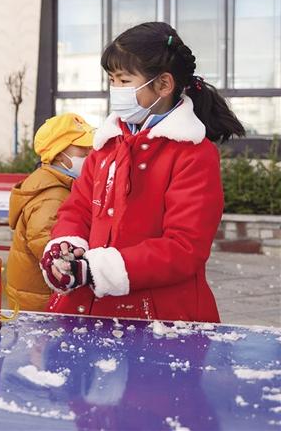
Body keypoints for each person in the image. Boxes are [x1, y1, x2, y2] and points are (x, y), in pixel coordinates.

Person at [39, 22, 245, 323]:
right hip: (86, 309)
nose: (115, 89)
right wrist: (65, 248)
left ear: (164, 85)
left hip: (159, 319)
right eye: (111, 80)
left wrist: (97, 270)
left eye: (124, 80)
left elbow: (184, 247)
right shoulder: (108, 143)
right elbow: (78, 208)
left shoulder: (193, 154)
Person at [5, 113, 94, 312]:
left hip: (37, 297)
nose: (90, 151)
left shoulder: (54, 184)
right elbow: (57, 259)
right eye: (82, 146)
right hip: (41, 305)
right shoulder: (52, 199)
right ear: (59, 154)